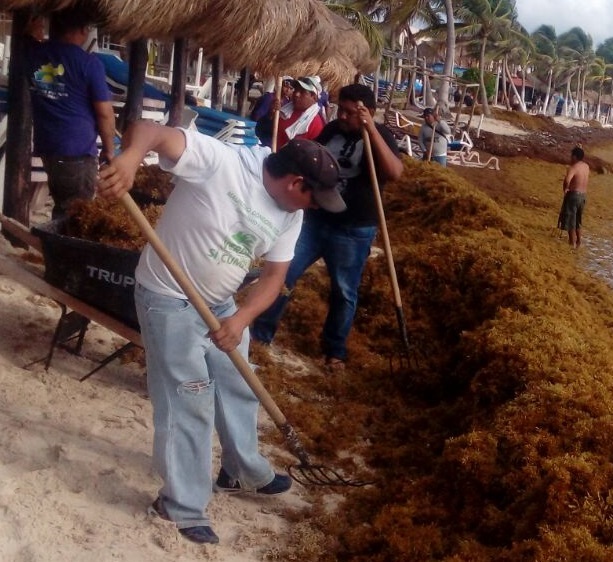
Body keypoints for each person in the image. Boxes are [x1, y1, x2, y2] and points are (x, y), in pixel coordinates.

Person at [96, 120, 346, 545]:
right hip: (167, 296)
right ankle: (181, 505)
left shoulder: (291, 215)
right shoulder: (222, 162)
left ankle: (241, 471)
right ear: (295, 181)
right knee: (187, 396)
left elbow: (272, 279)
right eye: (314, 197)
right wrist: (130, 159)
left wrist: (240, 319)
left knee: (237, 382)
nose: (316, 207)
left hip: (222, 304)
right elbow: (151, 130)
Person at [252, 84, 404, 371]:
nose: (343, 117)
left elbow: (395, 173)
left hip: (353, 228)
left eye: (350, 112)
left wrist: (370, 129)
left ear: (368, 112)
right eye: (341, 110)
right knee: (285, 274)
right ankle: (261, 333)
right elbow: (310, 156)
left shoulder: (380, 135)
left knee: (344, 291)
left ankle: (335, 351)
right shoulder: (332, 129)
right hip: (315, 220)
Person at [26, 6, 116, 220]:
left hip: (48, 148)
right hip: (77, 151)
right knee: (77, 214)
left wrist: (35, 24)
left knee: (63, 206)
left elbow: (29, 33)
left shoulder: (32, 53)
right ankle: (61, 252)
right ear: (84, 30)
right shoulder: (89, 63)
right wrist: (110, 150)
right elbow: (105, 113)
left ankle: (55, 249)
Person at [274, 75, 325, 148]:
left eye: (303, 92)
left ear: (314, 97)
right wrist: (271, 115)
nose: (296, 94)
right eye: (296, 90)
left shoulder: (316, 123)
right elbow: (262, 131)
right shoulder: (284, 111)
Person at [557, 146, 590, 249]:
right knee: (578, 221)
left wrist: (566, 188)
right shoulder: (586, 166)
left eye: (571, 156)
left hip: (574, 195)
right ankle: (579, 242)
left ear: (575, 156)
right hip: (583, 196)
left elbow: (567, 180)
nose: (570, 158)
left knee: (571, 220)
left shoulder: (573, 168)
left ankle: (571, 243)